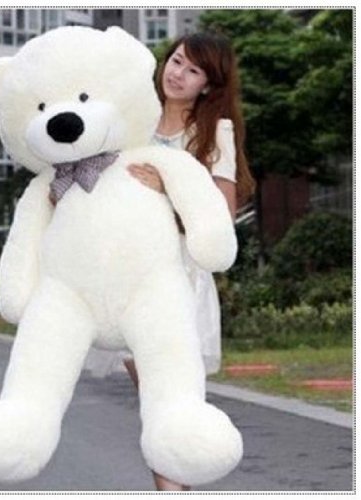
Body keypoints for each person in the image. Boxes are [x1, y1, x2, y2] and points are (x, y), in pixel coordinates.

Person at [124, 31, 255, 491]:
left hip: (178, 280)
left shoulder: (213, 132)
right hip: (126, 279)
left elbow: (222, 214)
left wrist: (168, 186)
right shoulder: (132, 118)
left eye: (193, 70)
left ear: (209, 84)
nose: (178, 74)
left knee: (169, 403)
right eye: (176, 60)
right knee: (157, 405)